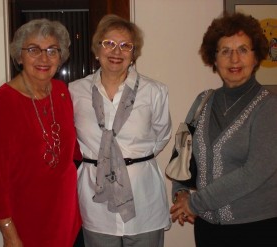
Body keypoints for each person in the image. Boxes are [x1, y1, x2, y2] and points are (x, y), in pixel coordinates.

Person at [170, 12, 277, 247]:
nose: (234, 59)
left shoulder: (269, 107)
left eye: (243, 49)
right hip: (208, 230)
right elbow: (181, 154)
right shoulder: (202, 102)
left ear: (256, 56)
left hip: (256, 229)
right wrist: (180, 194)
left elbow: (254, 172)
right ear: (214, 59)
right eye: (225, 51)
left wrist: (194, 204)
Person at [69, 14, 172, 247]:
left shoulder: (154, 91)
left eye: (126, 45)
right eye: (109, 43)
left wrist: (128, 159)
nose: (117, 51)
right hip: (96, 202)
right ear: (97, 49)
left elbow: (162, 135)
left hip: (143, 198)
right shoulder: (75, 92)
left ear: (134, 54)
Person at [0, 19, 82, 247]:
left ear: (61, 56)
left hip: (67, 214)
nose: (44, 58)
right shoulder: (5, 100)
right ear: (19, 56)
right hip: (27, 218)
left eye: (51, 50)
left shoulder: (62, 92)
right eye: (33, 50)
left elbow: (73, 151)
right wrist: (8, 231)